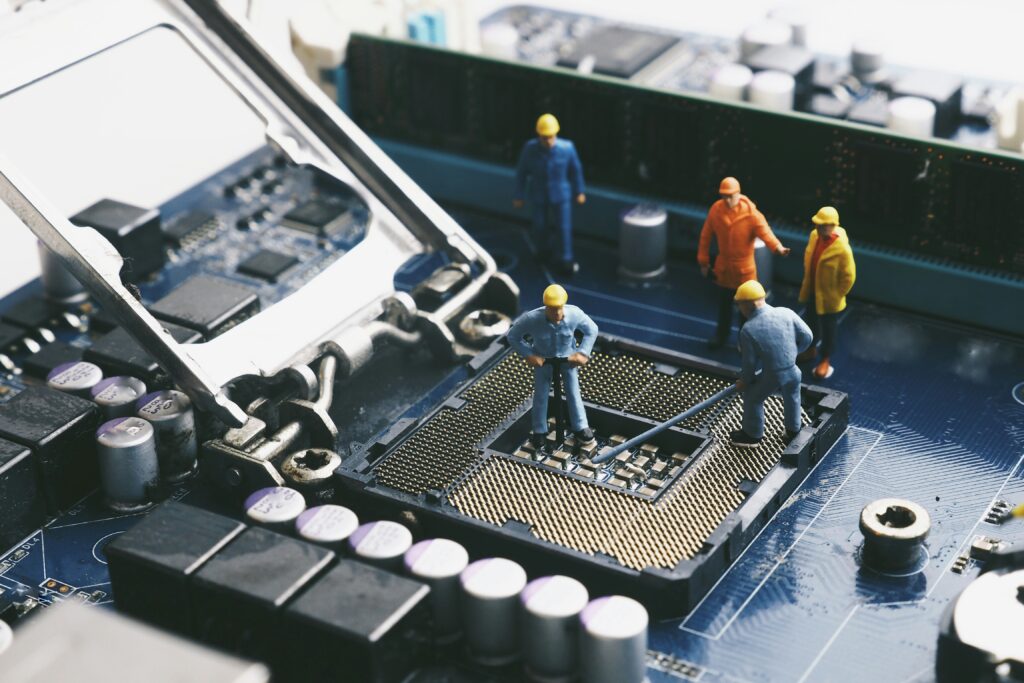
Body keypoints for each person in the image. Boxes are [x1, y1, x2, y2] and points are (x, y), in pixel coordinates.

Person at [697, 177, 790, 348]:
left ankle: (744, 341)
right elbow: (705, 236)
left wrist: (777, 247)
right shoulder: (716, 210)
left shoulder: (751, 214)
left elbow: (765, 232)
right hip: (724, 268)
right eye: (724, 196)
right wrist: (703, 262)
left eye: (731, 195)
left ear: (738, 194)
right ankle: (721, 336)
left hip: (744, 270)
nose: (727, 199)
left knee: (746, 310)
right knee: (724, 306)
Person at [506, 284, 598, 449]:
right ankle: (539, 430)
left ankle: (580, 427)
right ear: (546, 306)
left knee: (573, 393)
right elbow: (513, 336)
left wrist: (583, 353)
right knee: (541, 396)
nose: (556, 313)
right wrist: (529, 354)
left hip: (568, 361)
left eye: (559, 308)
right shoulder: (531, 319)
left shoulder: (574, 314)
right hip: (544, 363)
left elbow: (592, 330)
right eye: (552, 309)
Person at [731, 280, 812, 448]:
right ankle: (793, 431)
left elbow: (750, 363)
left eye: (740, 305)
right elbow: (807, 336)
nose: (740, 309)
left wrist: (745, 382)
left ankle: (752, 435)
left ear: (750, 304)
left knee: (753, 398)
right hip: (793, 371)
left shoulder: (748, 329)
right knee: (792, 397)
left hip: (773, 375)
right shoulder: (786, 312)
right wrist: (793, 354)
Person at [513, 114, 586, 276]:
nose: (548, 141)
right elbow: (521, 173)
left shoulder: (567, 148)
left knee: (563, 228)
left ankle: (566, 258)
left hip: (561, 195)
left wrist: (579, 191)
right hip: (539, 194)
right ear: (539, 135)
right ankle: (543, 251)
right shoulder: (530, 149)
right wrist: (519, 195)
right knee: (539, 226)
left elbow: (576, 170)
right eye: (544, 137)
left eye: (550, 137)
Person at [796, 206, 856, 379]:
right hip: (812, 289)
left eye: (823, 225)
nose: (819, 227)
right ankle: (810, 349)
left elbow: (849, 276)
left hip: (830, 298)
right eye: (818, 224)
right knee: (810, 322)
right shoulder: (814, 236)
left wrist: (837, 294)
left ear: (833, 225)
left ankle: (825, 359)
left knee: (829, 328)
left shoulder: (842, 249)